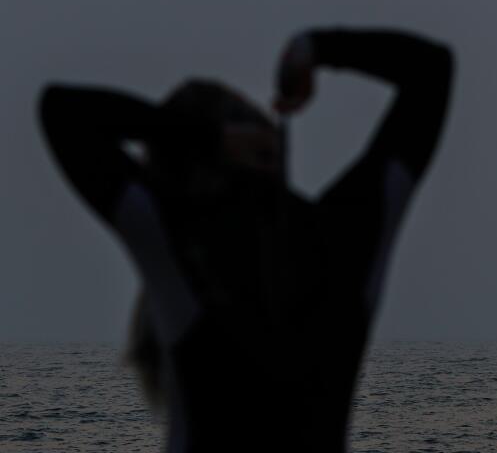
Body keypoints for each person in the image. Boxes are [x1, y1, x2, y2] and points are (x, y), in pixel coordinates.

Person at [39, 27, 454, 453]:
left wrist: (199, 136)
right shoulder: (345, 232)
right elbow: (430, 73)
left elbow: (63, 115)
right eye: (243, 121)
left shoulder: (178, 239)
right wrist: (316, 50)